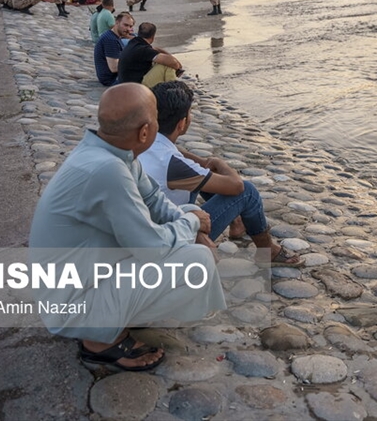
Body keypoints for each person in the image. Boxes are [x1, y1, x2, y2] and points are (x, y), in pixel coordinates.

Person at [28, 83, 225, 371]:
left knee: (185, 213)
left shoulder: (112, 153)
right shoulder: (108, 170)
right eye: (156, 117)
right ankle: (100, 341)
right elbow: (152, 248)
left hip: (83, 276)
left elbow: (155, 201)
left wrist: (190, 222)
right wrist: (192, 225)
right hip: (70, 304)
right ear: (145, 132)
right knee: (197, 261)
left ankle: (114, 316)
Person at [140, 81, 303, 264]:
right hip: (170, 241)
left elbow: (176, 155)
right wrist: (220, 163)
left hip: (147, 229)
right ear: (182, 123)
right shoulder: (173, 164)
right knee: (248, 192)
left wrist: (203, 163)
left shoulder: (143, 141)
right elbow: (237, 186)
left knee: (202, 176)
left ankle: (237, 223)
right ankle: (269, 251)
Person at [117, 22, 182, 88]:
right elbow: (172, 62)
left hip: (126, 84)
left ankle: (170, 88)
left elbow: (155, 49)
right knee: (167, 65)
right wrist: (178, 67)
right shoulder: (144, 49)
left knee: (161, 61)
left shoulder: (134, 43)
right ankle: (174, 91)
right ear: (153, 37)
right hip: (137, 87)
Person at [93, 12, 134, 86]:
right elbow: (114, 68)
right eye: (125, 25)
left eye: (130, 26)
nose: (128, 29)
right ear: (117, 23)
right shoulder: (111, 39)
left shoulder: (113, 36)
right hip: (111, 79)